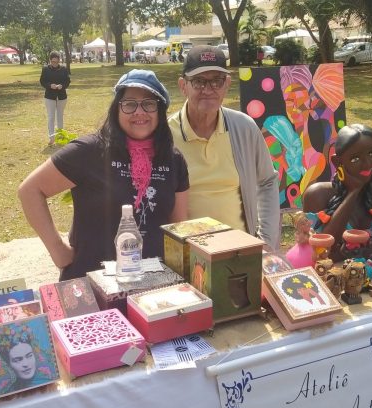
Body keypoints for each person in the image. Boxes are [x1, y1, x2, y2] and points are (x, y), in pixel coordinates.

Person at [19, 69, 189, 280]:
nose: (139, 112)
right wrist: (58, 250)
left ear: (160, 111)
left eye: (149, 103)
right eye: (129, 104)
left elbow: (177, 228)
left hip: (152, 282)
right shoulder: (90, 151)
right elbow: (30, 190)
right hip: (92, 282)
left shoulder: (173, 160)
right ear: (116, 109)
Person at [168, 45, 279, 250]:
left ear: (227, 84)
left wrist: (267, 241)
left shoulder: (244, 127)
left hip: (240, 252)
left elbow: (267, 181)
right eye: (199, 81)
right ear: (183, 86)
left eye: (217, 81)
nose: (208, 90)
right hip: (187, 255)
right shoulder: (166, 136)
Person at [302, 124, 372, 261]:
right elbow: (323, 251)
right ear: (337, 162)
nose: (367, 164)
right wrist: (353, 192)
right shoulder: (317, 194)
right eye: (355, 159)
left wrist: (347, 251)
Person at [40, 51, 71, 146]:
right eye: (53, 62)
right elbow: (42, 81)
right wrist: (50, 85)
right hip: (50, 96)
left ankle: (60, 137)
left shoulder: (64, 69)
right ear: (50, 61)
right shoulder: (45, 69)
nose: (55, 64)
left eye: (57, 62)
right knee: (51, 117)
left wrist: (63, 86)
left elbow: (67, 81)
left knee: (60, 117)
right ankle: (51, 137)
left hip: (61, 96)